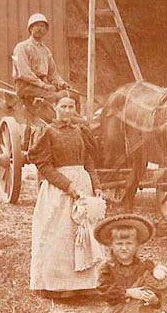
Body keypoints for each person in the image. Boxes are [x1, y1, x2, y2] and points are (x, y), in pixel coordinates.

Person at [29, 97, 105, 298]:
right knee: (59, 233)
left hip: (83, 184)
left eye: (71, 107)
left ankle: (85, 285)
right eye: (63, 106)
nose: (67, 110)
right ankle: (57, 286)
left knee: (84, 232)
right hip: (59, 189)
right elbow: (44, 166)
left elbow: (89, 162)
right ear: (55, 108)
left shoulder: (80, 131)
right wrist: (67, 185)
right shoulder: (48, 132)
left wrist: (96, 186)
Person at [12, 13, 72, 107]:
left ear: (46, 30)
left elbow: (53, 74)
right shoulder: (22, 47)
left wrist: (62, 83)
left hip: (40, 86)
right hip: (26, 87)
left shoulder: (45, 51)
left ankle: (74, 120)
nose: (40, 29)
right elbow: (25, 73)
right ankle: (57, 119)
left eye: (43, 26)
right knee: (55, 96)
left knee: (71, 95)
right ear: (30, 28)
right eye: (36, 26)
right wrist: (44, 86)